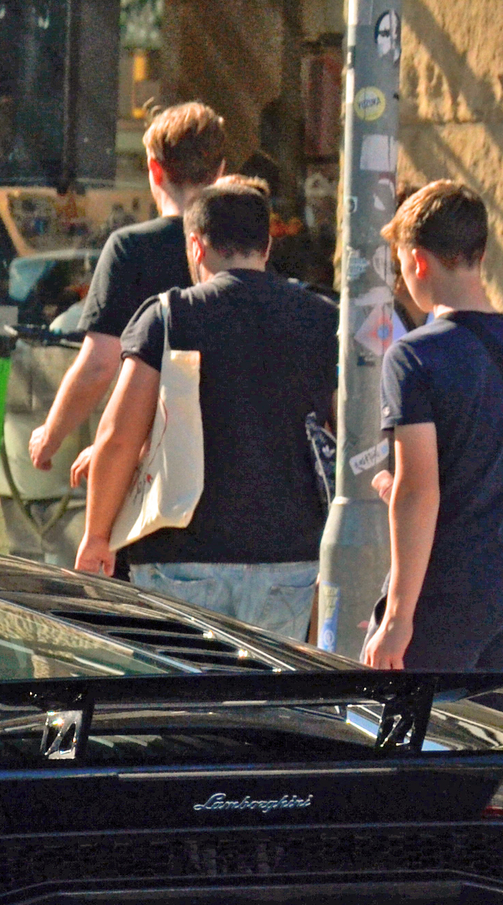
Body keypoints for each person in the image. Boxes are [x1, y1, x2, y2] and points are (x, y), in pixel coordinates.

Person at [70, 179, 337, 638]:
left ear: (196, 246)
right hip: (288, 557)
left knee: (182, 700)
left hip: (180, 551)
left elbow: (118, 438)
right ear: (267, 246)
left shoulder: (170, 317)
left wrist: (96, 537)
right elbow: (348, 432)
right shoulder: (319, 318)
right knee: (263, 705)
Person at [360, 180, 503, 715]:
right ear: (479, 255)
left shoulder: (413, 358)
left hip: (444, 593)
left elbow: (419, 491)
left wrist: (397, 620)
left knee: (410, 759)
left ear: (416, 261)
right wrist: (496, 497)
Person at [27, 102, 227, 485]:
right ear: (219, 171)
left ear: (154, 169)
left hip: (152, 469)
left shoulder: (131, 249)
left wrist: (50, 436)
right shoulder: (243, 245)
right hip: (231, 454)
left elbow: (99, 364)